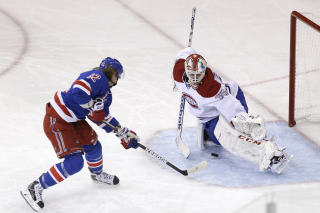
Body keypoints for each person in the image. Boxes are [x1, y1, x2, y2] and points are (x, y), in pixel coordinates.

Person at [20, 57, 140, 212]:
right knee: (75, 162)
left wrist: (123, 132)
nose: (117, 80)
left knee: (94, 146)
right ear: (111, 73)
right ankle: (34, 187)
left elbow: (101, 118)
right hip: (58, 118)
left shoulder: (106, 94)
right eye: (117, 75)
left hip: (74, 119)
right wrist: (91, 105)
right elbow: (78, 89)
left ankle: (97, 175)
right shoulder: (98, 77)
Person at [172, 47, 293, 174]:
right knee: (218, 140)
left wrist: (243, 121)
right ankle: (208, 131)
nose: (195, 79)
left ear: (204, 72)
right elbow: (186, 52)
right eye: (192, 75)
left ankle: (275, 155)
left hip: (232, 99)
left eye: (199, 75)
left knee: (239, 134)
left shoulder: (210, 88)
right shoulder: (178, 71)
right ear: (186, 70)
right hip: (210, 114)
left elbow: (231, 105)